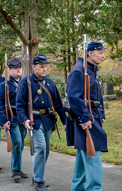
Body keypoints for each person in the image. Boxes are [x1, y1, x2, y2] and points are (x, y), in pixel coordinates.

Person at [16, 54, 66, 191]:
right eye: (41, 67)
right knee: (41, 148)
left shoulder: (49, 82)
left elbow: (58, 104)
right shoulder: (25, 82)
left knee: (46, 150)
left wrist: (64, 121)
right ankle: (38, 180)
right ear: (33, 67)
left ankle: (37, 176)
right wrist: (24, 119)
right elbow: (19, 105)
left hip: (48, 120)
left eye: (45, 66)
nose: (45, 69)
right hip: (34, 121)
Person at [66, 41, 108, 191]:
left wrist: (101, 113)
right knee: (93, 155)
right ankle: (95, 189)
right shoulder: (79, 70)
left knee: (84, 156)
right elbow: (73, 96)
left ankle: (77, 188)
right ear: (90, 53)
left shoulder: (91, 69)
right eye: (100, 52)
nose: (103, 56)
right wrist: (84, 118)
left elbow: (95, 94)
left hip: (93, 116)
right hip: (86, 118)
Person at [0, 58, 28, 182]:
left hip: (23, 118)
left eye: (19, 67)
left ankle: (18, 168)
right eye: (15, 68)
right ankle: (15, 170)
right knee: (17, 143)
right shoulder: (5, 85)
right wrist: (4, 120)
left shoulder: (25, 83)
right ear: (10, 70)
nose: (18, 69)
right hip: (12, 119)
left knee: (21, 145)